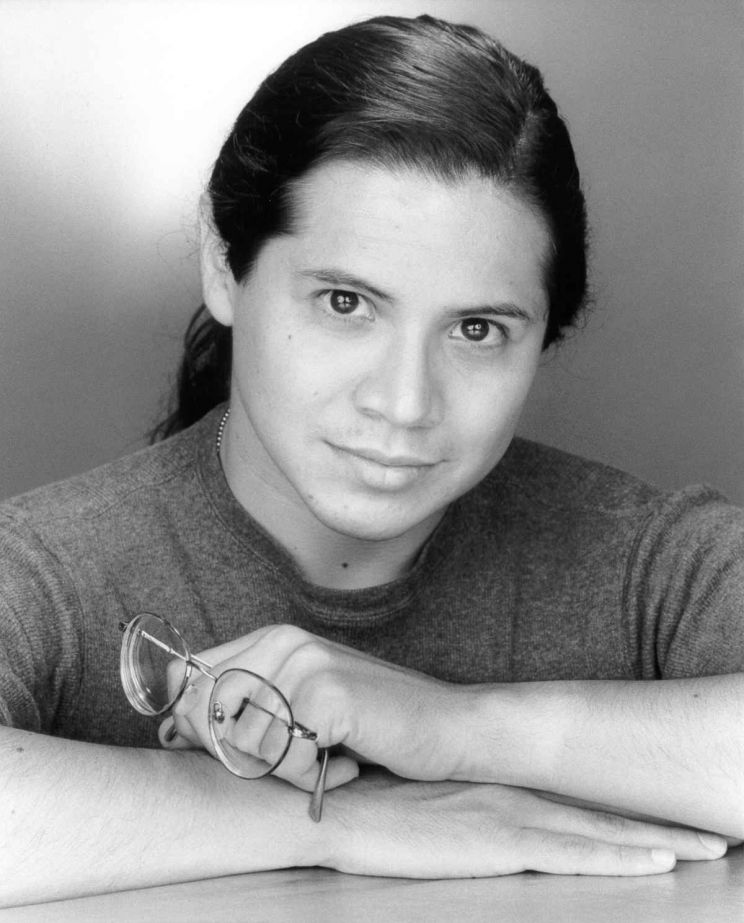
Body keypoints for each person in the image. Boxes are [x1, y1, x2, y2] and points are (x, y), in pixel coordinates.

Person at [1, 13, 742, 907]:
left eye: (477, 329)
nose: (404, 402)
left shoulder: (647, 561)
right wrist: (330, 821)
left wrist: (457, 728)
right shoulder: (46, 569)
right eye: (346, 303)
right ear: (224, 266)